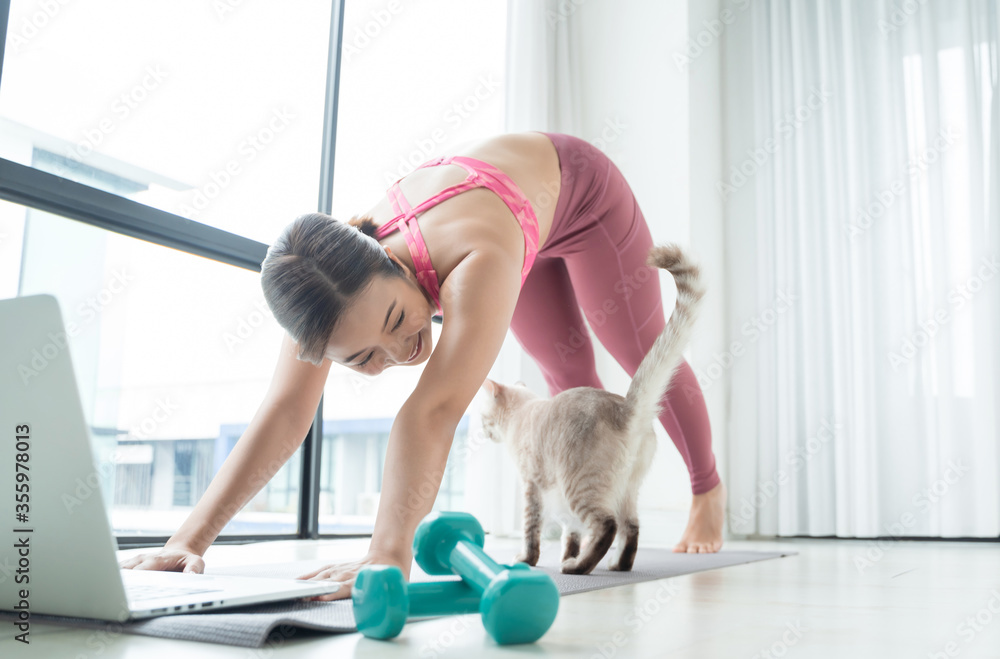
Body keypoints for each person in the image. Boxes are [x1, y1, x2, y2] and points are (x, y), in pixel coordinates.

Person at [119, 131, 725, 600]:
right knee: (572, 391)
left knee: (644, 355)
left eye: (394, 323)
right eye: (362, 359)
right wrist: (187, 541)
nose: (398, 353)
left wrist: (387, 554)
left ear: (396, 263)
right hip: (518, 221)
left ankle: (707, 491)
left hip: (583, 198)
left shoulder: (475, 256)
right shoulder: (321, 287)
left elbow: (432, 411)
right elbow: (284, 410)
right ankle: (595, 521)